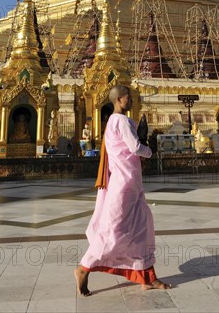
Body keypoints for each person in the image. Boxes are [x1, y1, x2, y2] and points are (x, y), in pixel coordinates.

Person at [74, 84, 171, 296]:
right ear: (119, 99)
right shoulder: (123, 121)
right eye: (129, 97)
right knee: (114, 231)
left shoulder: (111, 121)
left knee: (140, 228)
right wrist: (150, 150)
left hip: (128, 182)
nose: (133, 101)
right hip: (125, 184)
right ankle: (84, 267)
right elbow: (135, 148)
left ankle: (146, 277)